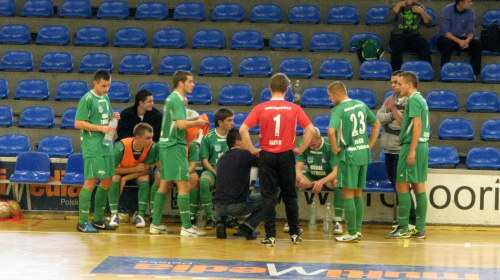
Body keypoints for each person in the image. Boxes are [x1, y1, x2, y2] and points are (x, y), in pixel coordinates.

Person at [240, 73, 315, 246]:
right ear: (287, 90)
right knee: (290, 195)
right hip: (287, 155)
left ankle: (270, 236)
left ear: (270, 88)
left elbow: (243, 130)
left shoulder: (261, 108)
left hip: (267, 155)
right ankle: (295, 233)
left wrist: (252, 149)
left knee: (268, 197)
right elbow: (310, 130)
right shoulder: (294, 108)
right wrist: (300, 149)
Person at [150, 70, 209, 236]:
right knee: (185, 184)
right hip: (174, 145)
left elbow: (178, 123)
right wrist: (197, 122)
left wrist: (195, 122)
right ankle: (186, 227)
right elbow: (181, 126)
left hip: (167, 145)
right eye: (190, 81)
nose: (193, 84)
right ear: (181, 83)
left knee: (165, 183)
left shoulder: (175, 99)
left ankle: (155, 224)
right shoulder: (177, 99)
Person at [327, 81, 381, 243]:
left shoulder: (338, 109)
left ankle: (351, 232)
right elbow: (377, 124)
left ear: (337, 94)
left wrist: (335, 149)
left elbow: (330, 131)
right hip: (363, 154)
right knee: (358, 193)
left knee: (347, 194)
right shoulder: (361, 104)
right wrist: (369, 145)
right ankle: (357, 230)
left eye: (330, 96)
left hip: (349, 155)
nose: (329, 99)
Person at [74, 70, 120, 233]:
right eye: (103, 86)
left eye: (108, 86)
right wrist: (101, 128)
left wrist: (113, 118)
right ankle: (82, 222)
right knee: (91, 182)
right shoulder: (86, 99)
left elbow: (104, 119)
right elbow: (78, 123)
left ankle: (98, 219)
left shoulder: (106, 97)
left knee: (107, 181)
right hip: (92, 146)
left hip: (107, 145)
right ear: (95, 83)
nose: (106, 89)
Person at [385, 71, 429, 239]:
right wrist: (394, 110)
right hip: (421, 146)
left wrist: (411, 150)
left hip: (412, 146)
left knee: (401, 185)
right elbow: (407, 125)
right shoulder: (421, 100)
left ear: (409, 85)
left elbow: (417, 126)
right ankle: (420, 228)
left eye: (401, 84)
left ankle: (404, 227)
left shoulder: (413, 100)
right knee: (418, 187)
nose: (398, 87)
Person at [376, 70, 417, 231]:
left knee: (403, 188)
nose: (394, 85)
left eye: (397, 82)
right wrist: (393, 115)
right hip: (388, 150)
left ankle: (411, 220)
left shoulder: (410, 101)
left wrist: (392, 115)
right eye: (392, 82)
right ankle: (404, 220)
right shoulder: (390, 99)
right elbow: (378, 118)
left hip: (401, 150)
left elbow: (403, 125)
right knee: (397, 187)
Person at [291, 126, 344, 235]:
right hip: (312, 176)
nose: (311, 147)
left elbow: (336, 172)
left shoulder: (330, 145)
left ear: (320, 138)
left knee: (337, 182)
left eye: (313, 144)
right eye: (309, 144)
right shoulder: (303, 144)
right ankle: (292, 221)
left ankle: (338, 222)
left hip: (328, 177)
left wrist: (321, 182)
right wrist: (301, 179)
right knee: (294, 181)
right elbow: (298, 169)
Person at [213, 129, 262, 240]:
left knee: (226, 190)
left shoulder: (222, 158)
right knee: (270, 198)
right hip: (237, 206)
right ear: (238, 142)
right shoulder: (246, 154)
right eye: (247, 139)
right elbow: (265, 164)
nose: (249, 142)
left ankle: (220, 220)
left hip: (218, 206)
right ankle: (247, 227)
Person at [108, 123, 157, 228]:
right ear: (138, 137)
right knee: (114, 178)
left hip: (138, 173)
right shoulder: (122, 146)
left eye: (151, 137)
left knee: (145, 178)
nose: (150, 141)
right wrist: (132, 170)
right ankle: (114, 214)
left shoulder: (152, 147)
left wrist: (126, 178)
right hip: (120, 171)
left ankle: (141, 215)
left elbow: (144, 171)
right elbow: (111, 170)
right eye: (147, 138)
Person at [196, 108, 234, 230]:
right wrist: (215, 172)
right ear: (220, 122)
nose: (232, 123)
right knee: (203, 181)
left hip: (230, 173)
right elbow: (204, 161)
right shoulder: (208, 137)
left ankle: (230, 218)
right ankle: (210, 218)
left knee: (234, 182)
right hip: (212, 171)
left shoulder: (235, 136)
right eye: (229, 120)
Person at [437, 0, 482, 77]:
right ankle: (444, 71)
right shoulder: (447, 10)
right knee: (446, 43)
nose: (471, 4)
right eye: (469, 2)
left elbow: (471, 31)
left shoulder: (471, 12)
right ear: (461, 3)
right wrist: (459, 41)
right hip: (448, 38)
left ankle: (474, 73)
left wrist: (467, 41)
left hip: (462, 38)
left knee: (477, 44)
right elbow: (445, 31)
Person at [385, 0, 433, 71]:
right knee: (397, 43)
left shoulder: (420, 7)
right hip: (398, 34)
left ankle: (426, 70)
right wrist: (398, 6)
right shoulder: (396, 5)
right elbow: (388, 19)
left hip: (414, 35)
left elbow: (429, 24)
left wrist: (422, 12)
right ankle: (396, 72)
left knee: (424, 43)